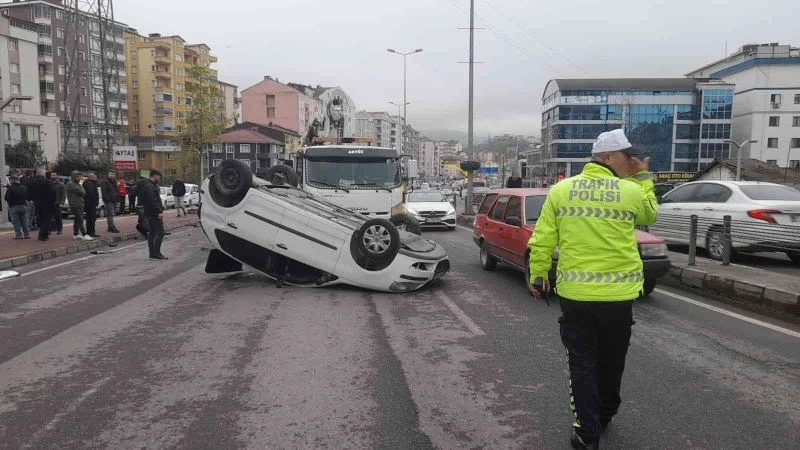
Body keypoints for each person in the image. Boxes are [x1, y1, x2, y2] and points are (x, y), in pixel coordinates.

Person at [527, 129, 658, 450]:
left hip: (576, 297)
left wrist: (538, 275)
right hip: (618, 297)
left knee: (582, 363)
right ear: (608, 158)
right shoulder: (629, 191)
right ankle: (606, 412)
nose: (632, 163)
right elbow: (650, 213)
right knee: (613, 360)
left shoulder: (561, 190)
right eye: (628, 158)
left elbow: (543, 237)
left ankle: (587, 433)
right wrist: (644, 177)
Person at [140, 170, 167, 260]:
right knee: (160, 233)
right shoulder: (150, 186)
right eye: (159, 177)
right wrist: (159, 211)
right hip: (154, 213)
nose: (159, 179)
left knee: (152, 233)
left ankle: (152, 254)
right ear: (154, 176)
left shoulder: (147, 185)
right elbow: (153, 200)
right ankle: (156, 253)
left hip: (149, 212)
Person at [27, 169, 56, 241]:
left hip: (36, 203)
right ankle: (42, 235)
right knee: (46, 219)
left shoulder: (31, 182)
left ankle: (45, 235)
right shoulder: (46, 181)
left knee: (40, 218)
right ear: (43, 174)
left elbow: (28, 192)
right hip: (47, 203)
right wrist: (53, 201)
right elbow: (53, 191)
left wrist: (32, 199)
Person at [66, 170, 92, 241]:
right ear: (74, 176)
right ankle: (84, 234)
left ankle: (76, 234)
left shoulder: (78, 184)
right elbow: (81, 191)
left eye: (80, 176)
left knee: (77, 219)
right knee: (80, 219)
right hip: (75, 204)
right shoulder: (70, 183)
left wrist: (81, 190)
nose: (79, 178)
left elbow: (84, 192)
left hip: (80, 203)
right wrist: (81, 190)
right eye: (78, 176)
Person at [83, 172, 100, 238]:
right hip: (90, 204)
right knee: (91, 218)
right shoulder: (89, 183)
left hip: (89, 203)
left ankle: (91, 232)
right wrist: (95, 201)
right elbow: (91, 193)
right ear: (91, 177)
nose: (96, 177)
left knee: (91, 218)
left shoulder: (89, 183)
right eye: (95, 176)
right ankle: (90, 232)